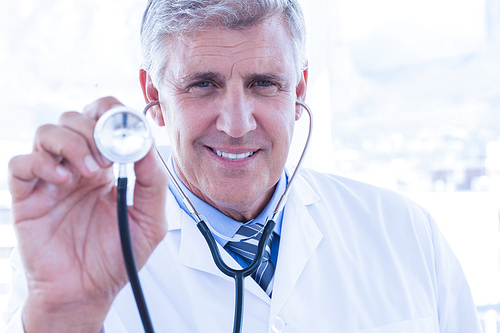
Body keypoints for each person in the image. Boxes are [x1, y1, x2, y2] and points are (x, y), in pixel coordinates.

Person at [1, 0, 482, 332]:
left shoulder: (405, 234)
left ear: (298, 92)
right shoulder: (79, 268)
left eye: (264, 84)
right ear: (155, 97)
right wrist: (65, 315)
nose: (235, 123)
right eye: (203, 85)